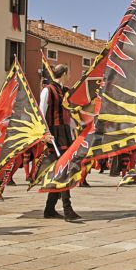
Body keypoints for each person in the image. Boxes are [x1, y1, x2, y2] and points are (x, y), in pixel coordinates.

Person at [39, 64, 81, 222]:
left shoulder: (66, 91)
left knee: (61, 170)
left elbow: (69, 114)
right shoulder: (47, 90)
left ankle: (49, 208)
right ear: (64, 73)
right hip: (54, 134)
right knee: (64, 170)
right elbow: (41, 113)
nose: (69, 75)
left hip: (65, 133)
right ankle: (67, 208)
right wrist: (45, 133)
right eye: (68, 72)